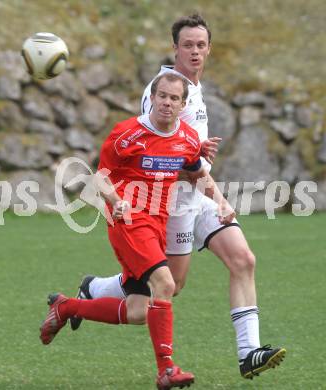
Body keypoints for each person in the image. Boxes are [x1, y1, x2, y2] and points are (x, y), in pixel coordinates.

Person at [70, 14, 286, 379]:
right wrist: (193, 161)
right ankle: (93, 290)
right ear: (175, 48)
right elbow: (152, 158)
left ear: (209, 49)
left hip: (197, 197)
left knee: (243, 260)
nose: (195, 51)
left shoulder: (194, 90)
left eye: (201, 45)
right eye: (188, 45)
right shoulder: (165, 90)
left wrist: (214, 191)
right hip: (167, 203)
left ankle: (249, 353)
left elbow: (188, 156)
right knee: (168, 287)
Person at [40, 73, 214, 389]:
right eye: (162, 95)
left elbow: (197, 172)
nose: (167, 102)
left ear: (183, 104)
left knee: (137, 312)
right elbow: (100, 177)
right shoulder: (127, 133)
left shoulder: (187, 138)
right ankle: (167, 370)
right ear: (152, 97)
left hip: (156, 227)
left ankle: (66, 307)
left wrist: (224, 204)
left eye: (175, 98)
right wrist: (115, 200)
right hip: (129, 223)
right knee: (166, 283)